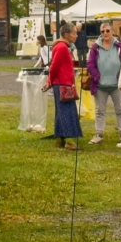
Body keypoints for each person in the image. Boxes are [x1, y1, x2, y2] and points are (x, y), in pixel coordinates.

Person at [86, 24, 121, 145]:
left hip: (117, 85)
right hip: (100, 86)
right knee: (99, 111)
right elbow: (90, 64)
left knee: (120, 110)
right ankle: (99, 133)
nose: (105, 33)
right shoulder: (95, 48)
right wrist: (97, 77)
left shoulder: (120, 47)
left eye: (107, 30)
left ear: (113, 32)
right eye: (102, 31)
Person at [43, 22, 81, 151]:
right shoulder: (62, 47)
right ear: (66, 34)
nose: (76, 35)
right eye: (74, 33)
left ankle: (60, 139)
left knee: (60, 112)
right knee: (67, 112)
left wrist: (50, 81)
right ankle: (70, 141)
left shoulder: (62, 46)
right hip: (63, 84)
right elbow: (54, 66)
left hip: (60, 83)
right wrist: (50, 81)